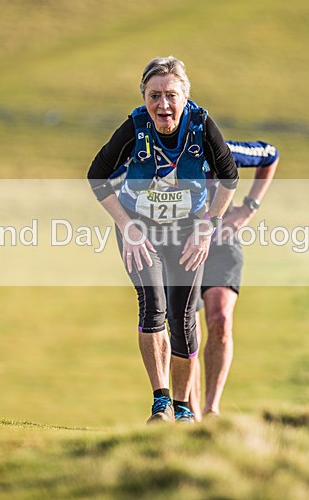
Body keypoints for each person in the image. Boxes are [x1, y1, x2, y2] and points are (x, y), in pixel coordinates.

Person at [87, 56, 237, 424]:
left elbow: (229, 177)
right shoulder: (136, 124)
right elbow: (97, 175)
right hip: (141, 232)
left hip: (188, 232)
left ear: (185, 96)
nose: (163, 105)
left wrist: (207, 227)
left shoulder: (201, 125)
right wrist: (127, 227)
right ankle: (161, 402)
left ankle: (185, 407)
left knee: (183, 317)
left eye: (171, 95)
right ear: (144, 97)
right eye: (154, 95)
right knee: (152, 305)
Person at [187, 140, 280, 421]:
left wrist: (249, 208)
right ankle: (189, 415)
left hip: (221, 242)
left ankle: (212, 409)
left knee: (221, 321)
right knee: (185, 326)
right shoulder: (161, 151)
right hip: (177, 246)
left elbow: (270, 155)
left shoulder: (223, 150)